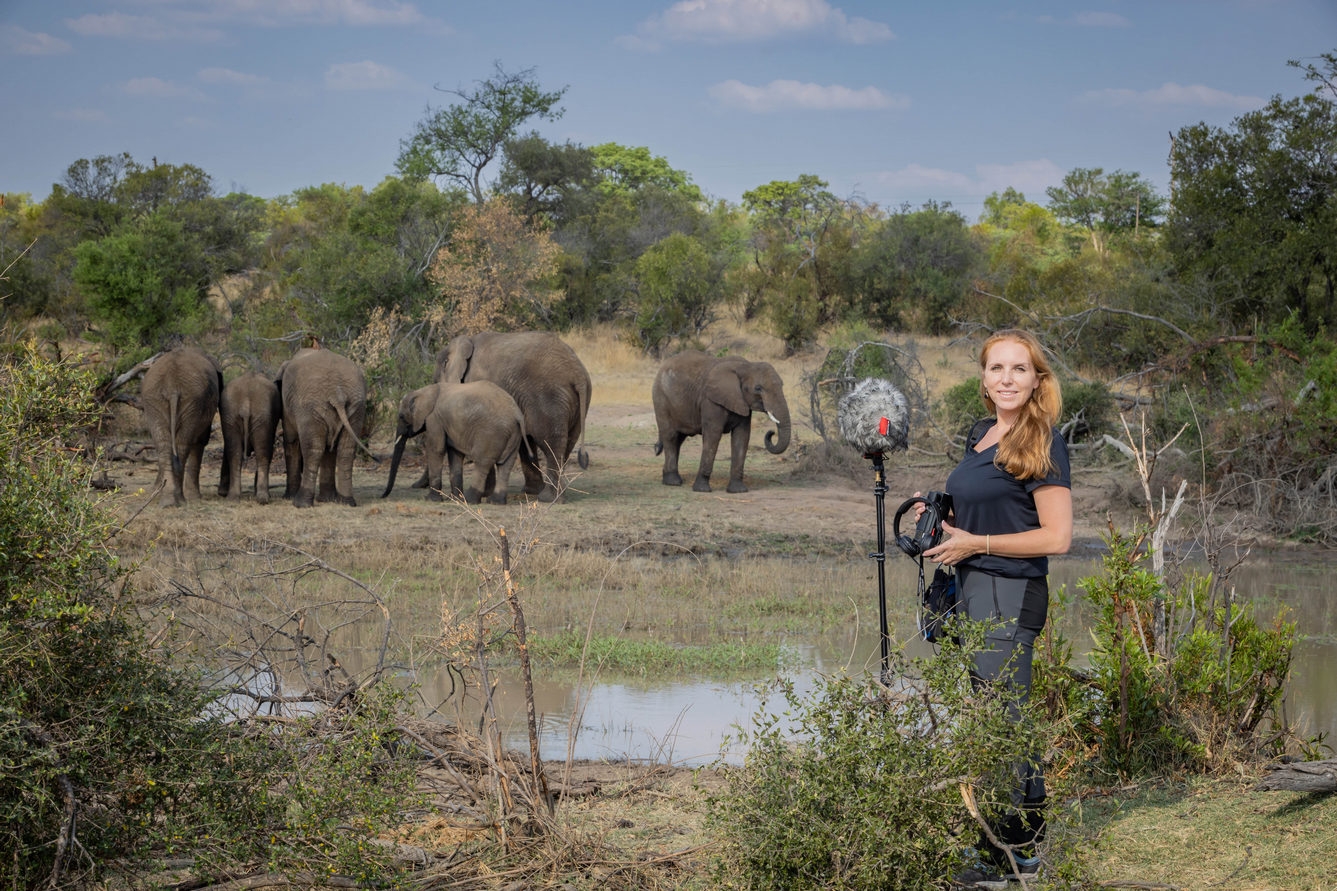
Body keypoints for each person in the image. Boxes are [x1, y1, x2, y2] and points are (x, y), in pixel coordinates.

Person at [916, 328, 1072, 889]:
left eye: (1019, 369)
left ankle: (1018, 853)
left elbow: (1056, 538)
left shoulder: (1044, 442)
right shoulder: (981, 433)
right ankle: (999, 847)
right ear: (983, 379)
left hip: (1012, 591)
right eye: (997, 368)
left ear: (1037, 381)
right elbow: (981, 507)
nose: (1007, 378)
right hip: (971, 589)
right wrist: (937, 517)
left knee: (1007, 723)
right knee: (989, 720)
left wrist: (975, 544)